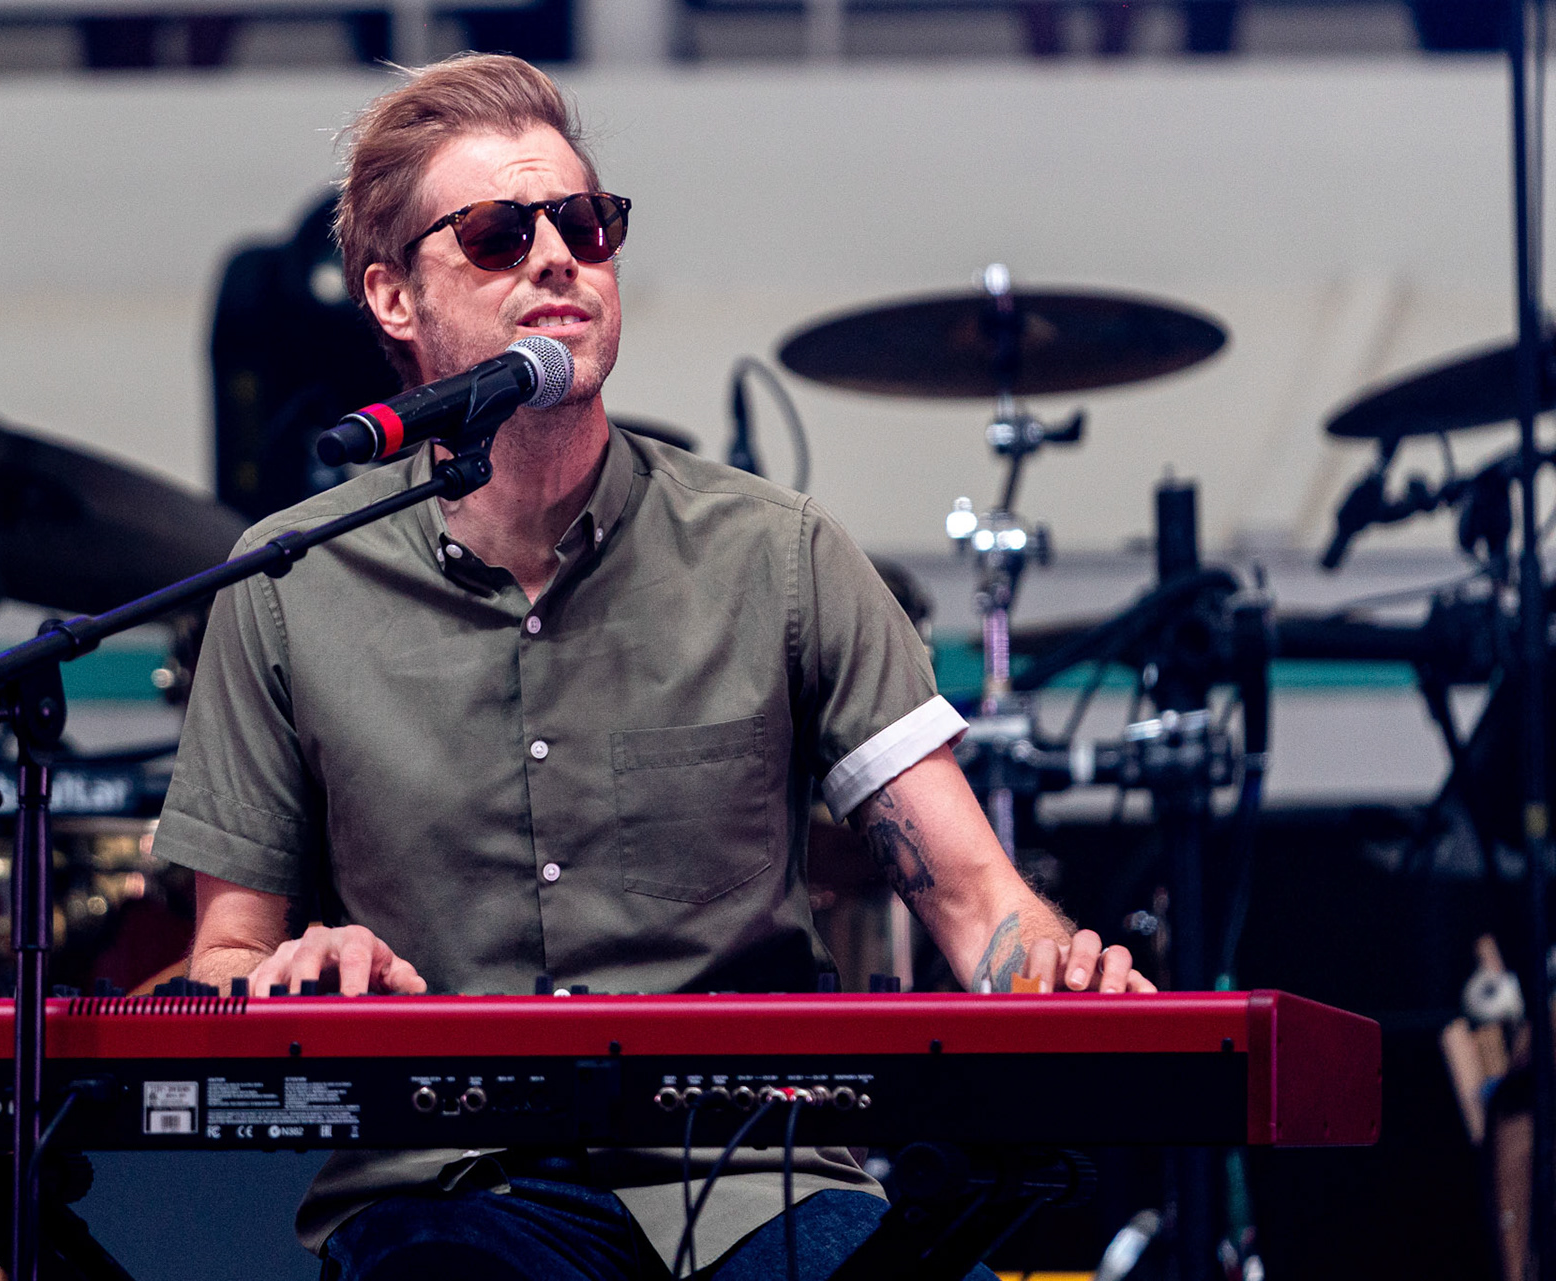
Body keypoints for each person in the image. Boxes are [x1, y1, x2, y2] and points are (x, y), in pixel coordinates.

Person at [155, 52, 1153, 1281]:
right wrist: (290, 974)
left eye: (585, 224)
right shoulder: (287, 582)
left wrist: (1053, 969)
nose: (556, 258)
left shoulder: (779, 554)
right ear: (393, 297)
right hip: (450, 1188)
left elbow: (972, 897)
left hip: (756, 1179)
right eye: (497, 234)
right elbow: (225, 955)